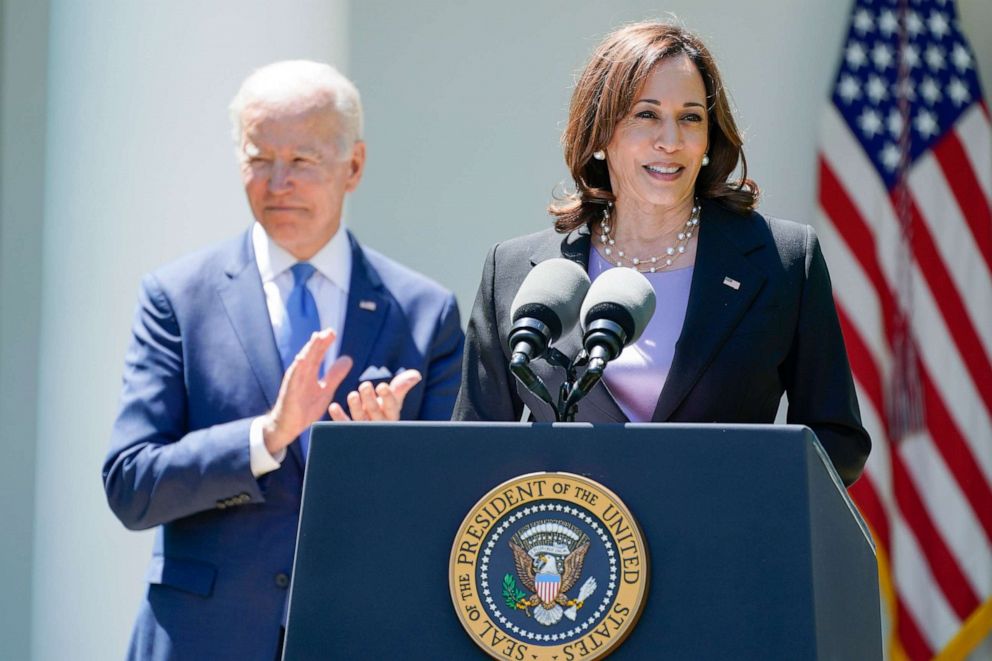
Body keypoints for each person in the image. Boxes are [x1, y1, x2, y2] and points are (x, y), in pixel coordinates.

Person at [102, 60, 464, 660]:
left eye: (301, 161)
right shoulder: (177, 297)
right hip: (202, 639)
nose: (276, 183)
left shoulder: (424, 312)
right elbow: (130, 485)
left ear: (353, 167)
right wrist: (265, 437)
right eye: (257, 158)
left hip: (359, 635)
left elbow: (453, 512)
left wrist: (387, 462)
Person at [452, 21, 870, 486]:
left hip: (723, 546)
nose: (670, 140)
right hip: (571, 551)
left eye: (690, 117)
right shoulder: (512, 272)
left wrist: (747, 492)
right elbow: (472, 451)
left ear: (710, 137)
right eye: (646, 115)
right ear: (600, 134)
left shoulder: (785, 261)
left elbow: (840, 440)